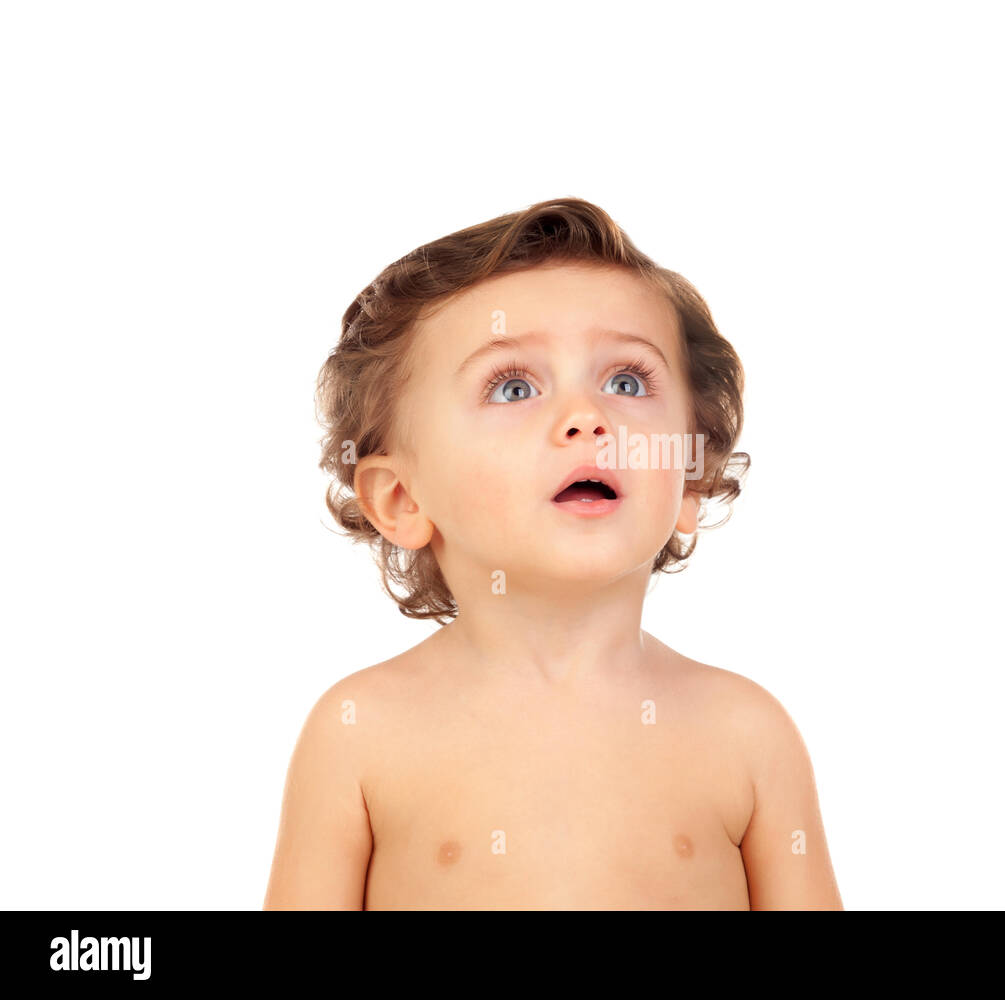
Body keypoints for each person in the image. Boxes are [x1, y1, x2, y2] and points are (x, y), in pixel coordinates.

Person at [263, 197, 842, 910]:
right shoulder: (361, 734)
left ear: (690, 475)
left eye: (626, 381)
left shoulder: (747, 736)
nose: (586, 418)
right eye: (513, 386)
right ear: (402, 500)